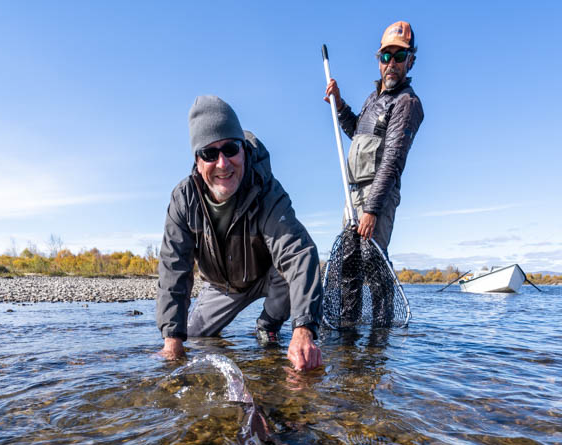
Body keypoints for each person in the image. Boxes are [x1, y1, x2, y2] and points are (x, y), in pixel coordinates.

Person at [156, 95, 323, 372]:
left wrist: (304, 330)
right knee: (193, 338)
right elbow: (174, 270)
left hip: (267, 277)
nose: (223, 163)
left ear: (243, 150)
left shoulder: (267, 190)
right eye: (210, 153)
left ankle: (268, 325)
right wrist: (172, 341)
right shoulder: (183, 199)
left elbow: (299, 254)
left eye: (231, 149)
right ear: (198, 161)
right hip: (220, 286)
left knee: (287, 275)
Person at [324, 21, 424, 254]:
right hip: (354, 193)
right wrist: (338, 104)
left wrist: (372, 210)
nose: (391, 64)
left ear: (410, 61)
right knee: (348, 266)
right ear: (379, 61)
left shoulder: (406, 102)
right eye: (385, 57)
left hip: (377, 196)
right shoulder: (373, 99)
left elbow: (392, 159)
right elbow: (357, 133)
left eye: (399, 56)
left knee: (372, 261)